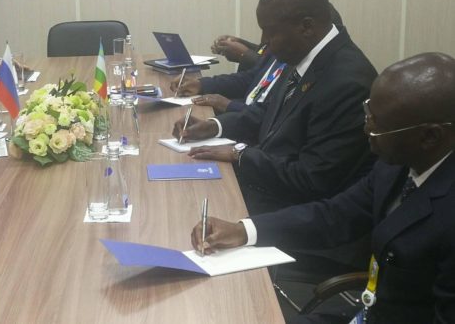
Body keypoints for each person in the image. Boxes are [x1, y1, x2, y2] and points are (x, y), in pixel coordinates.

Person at [191, 53, 455, 324]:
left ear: (429, 136)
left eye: (378, 126)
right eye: (368, 113)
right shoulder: (397, 164)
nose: (366, 128)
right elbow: (335, 215)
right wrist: (244, 230)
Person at [173, 0, 377, 215]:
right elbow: (269, 112)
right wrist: (214, 126)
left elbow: (313, 179)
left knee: (182, 211)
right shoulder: (305, 52)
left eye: (270, 33)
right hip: (266, 183)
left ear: (306, 27)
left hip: (291, 212)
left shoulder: (347, 83)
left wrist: (241, 156)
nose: (266, 45)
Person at [173, 0, 344, 114]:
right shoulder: (285, 18)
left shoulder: (319, 25)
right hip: (252, 106)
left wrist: (244, 54)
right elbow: (267, 65)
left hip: (258, 115)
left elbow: (280, 77)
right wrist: (203, 84)